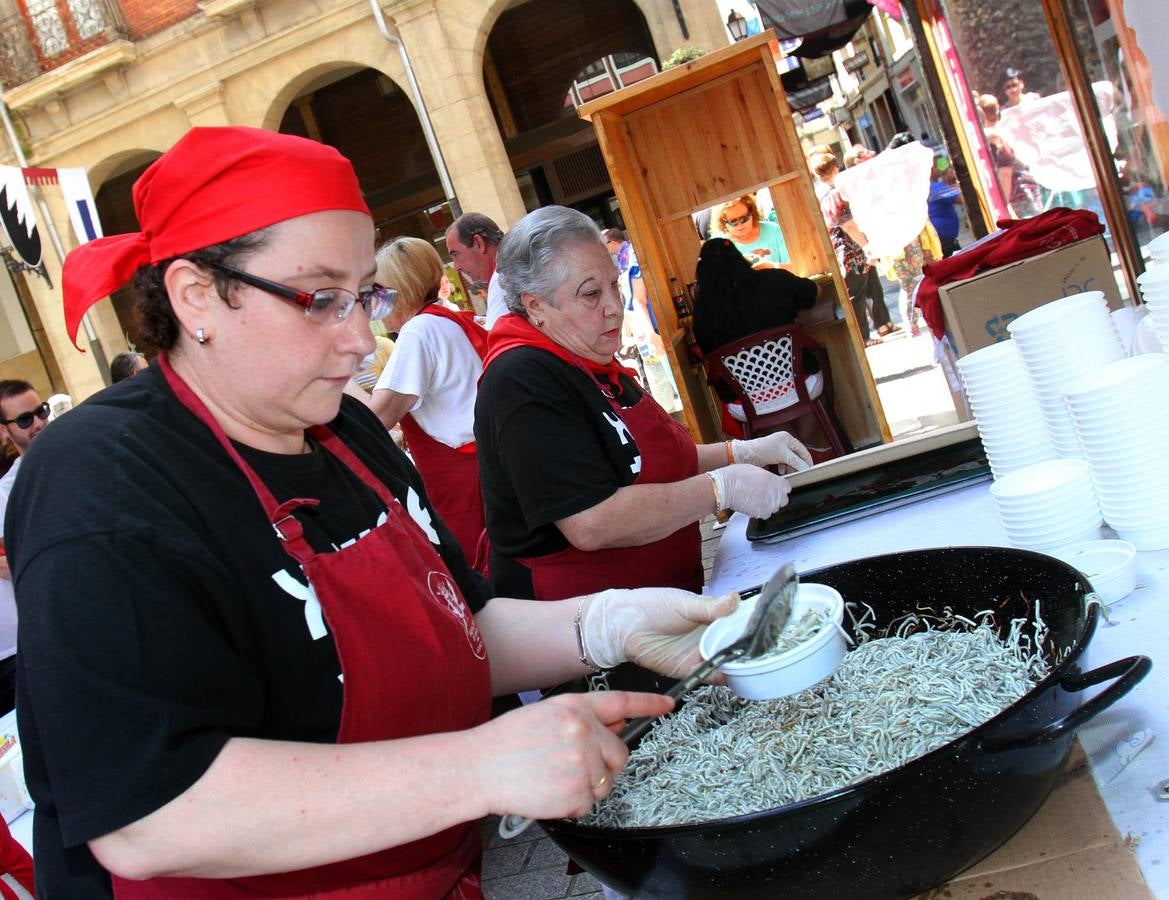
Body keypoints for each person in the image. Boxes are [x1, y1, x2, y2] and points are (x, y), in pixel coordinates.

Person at [7, 126, 737, 897]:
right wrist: (477, 766)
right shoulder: (102, 480)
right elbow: (147, 813)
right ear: (196, 296)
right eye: (320, 299)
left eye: (365, 295)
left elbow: (460, 620)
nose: (362, 338)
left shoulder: (349, 431)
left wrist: (606, 624)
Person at [476, 205, 811, 616]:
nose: (614, 306)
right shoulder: (522, 378)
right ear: (536, 306)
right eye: (590, 294)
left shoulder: (591, 361)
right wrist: (720, 488)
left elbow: (640, 461)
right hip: (588, 630)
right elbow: (591, 520)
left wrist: (739, 452)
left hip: (658, 604)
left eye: (614, 286)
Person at [370, 236, 489, 571]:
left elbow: (375, 419)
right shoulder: (449, 317)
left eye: (379, 292)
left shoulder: (418, 331)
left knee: (479, 575)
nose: (377, 304)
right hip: (488, 466)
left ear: (400, 289)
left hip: (465, 483)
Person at [692, 237, 824, 442]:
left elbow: (706, 351)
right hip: (798, 384)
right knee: (818, 357)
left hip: (744, 401)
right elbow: (816, 292)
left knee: (761, 399)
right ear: (740, 258)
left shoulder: (702, 313)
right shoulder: (775, 280)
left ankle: (792, 455)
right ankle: (804, 447)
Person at [0, 379, 49, 716]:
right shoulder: (5, 496)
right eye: (24, 419)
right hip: (30, 642)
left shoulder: (82, 460)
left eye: (41, 411)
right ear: (5, 431)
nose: (38, 423)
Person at [810, 152, 896, 345]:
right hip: (852, 249)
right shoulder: (835, 193)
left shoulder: (821, 192)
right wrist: (867, 246)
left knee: (861, 291)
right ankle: (863, 337)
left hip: (843, 248)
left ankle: (871, 331)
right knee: (856, 295)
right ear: (835, 167)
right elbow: (848, 225)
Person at [602, 227, 680, 413]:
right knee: (658, 381)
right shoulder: (625, 258)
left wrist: (650, 333)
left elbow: (638, 299)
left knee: (668, 380)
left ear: (612, 242)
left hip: (652, 328)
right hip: (644, 328)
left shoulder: (632, 256)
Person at [977, 93, 1044, 218]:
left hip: (1018, 193)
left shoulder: (993, 138)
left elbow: (1005, 174)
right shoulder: (1004, 129)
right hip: (1025, 188)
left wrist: (1004, 205)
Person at [445, 213, 507, 329]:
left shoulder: (502, 279)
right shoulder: (511, 269)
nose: (456, 267)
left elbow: (498, 339)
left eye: (456, 254)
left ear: (479, 243)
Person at [711, 194, 790, 269]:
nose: (740, 225)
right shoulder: (717, 244)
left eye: (744, 219)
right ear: (723, 223)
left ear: (752, 213)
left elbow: (796, 266)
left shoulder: (773, 230)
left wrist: (772, 267)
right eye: (733, 222)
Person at [928, 158, 963, 257]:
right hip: (945, 240)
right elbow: (961, 198)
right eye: (935, 167)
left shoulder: (929, 188)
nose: (937, 170)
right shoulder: (935, 188)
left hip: (939, 239)